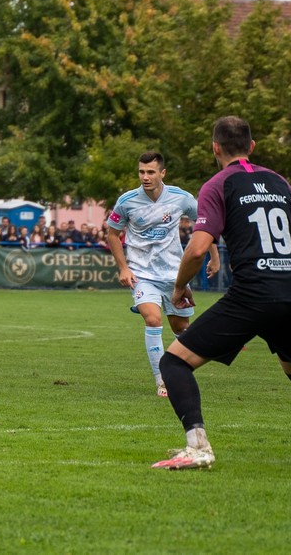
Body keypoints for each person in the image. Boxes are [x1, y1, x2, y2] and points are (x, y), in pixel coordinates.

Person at [152, 116, 291, 470]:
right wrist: (282, 271)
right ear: (252, 147)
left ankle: (198, 447)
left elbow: (199, 248)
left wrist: (178, 288)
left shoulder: (218, 184)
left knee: (173, 362)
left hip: (253, 293)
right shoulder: (280, 182)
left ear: (215, 147)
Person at [106, 151, 219, 398]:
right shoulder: (127, 201)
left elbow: (206, 222)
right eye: (141, 172)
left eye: (150, 172)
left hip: (175, 275)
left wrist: (215, 256)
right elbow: (112, 233)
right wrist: (124, 268)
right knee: (153, 319)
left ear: (162, 173)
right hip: (141, 273)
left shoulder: (181, 198)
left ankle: (182, 368)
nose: (145, 177)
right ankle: (162, 380)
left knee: (181, 327)